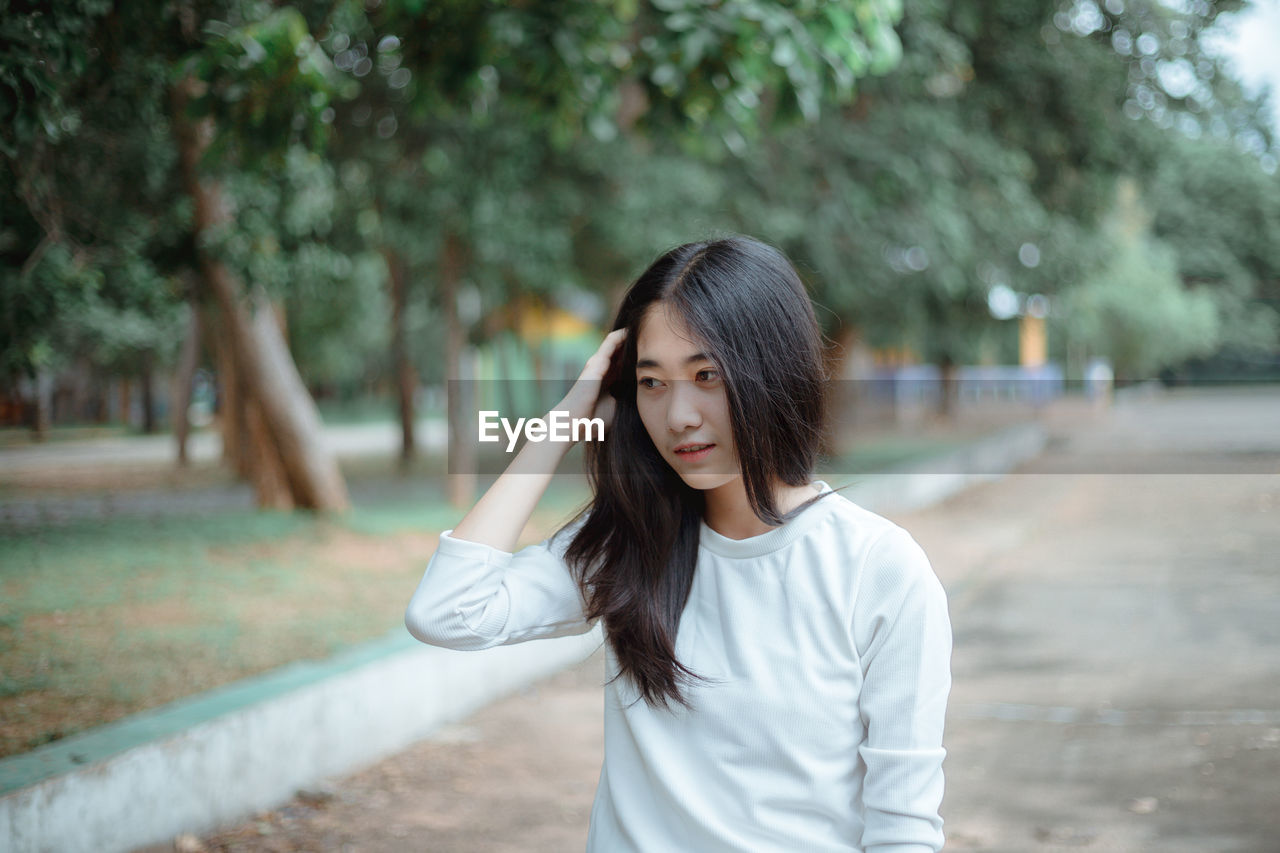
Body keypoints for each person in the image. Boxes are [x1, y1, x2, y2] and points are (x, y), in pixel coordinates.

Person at [405, 235, 953, 852]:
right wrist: (567, 416)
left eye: (705, 375)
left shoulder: (878, 568)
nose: (679, 415)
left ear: (772, 372)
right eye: (652, 382)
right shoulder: (629, 544)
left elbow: (903, 829)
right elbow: (446, 610)